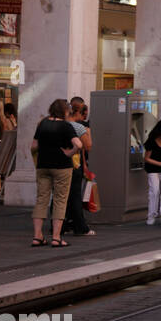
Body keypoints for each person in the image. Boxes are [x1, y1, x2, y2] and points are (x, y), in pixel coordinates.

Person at [31, 98, 82, 247]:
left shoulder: (43, 124)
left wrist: (39, 158)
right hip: (61, 167)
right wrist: (69, 153)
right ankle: (56, 237)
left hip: (43, 166)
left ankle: (37, 236)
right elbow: (78, 144)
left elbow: (33, 146)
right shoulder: (66, 126)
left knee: (41, 199)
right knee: (60, 200)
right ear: (65, 111)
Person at [61, 99, 95, 237]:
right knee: (75, 195)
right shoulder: (78, 127)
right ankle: (80, 226)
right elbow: (87, 146)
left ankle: (59, 225)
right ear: (79, 111)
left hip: (56, 163)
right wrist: (88, 131)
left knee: (59, 196)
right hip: (73, 164)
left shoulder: (57, 125)